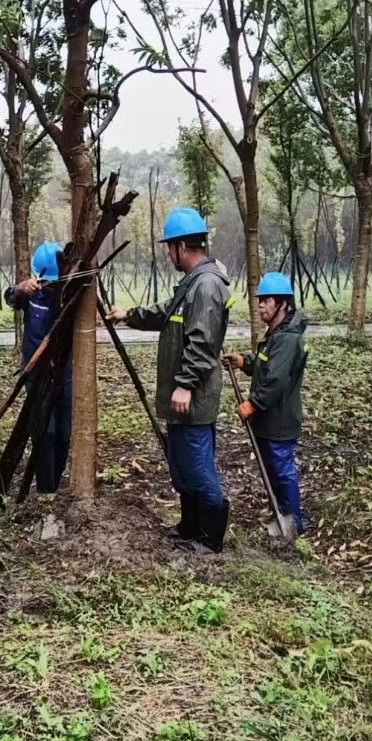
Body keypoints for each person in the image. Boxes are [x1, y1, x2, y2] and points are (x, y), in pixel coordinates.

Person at [107, 208, 232, 553]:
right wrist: (128, 315)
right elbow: (165, 313)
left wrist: (185, 384)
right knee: (181, 466)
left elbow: (203, 343)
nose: (167, 254)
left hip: (193, 397)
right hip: (181, 398)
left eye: (169, 247)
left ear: (181, 246)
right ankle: (189, 526)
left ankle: (210, 538)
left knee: (197, 465)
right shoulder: (192, 284)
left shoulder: (206, 286)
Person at [224, 272, 309, 534]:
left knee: (281, 473)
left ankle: (293, 523)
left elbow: (275, 381)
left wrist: (253, 403)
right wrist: (244, 361)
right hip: (270, 420)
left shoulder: (287, 338)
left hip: (279, 420)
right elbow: (265, 365)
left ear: (282, 304)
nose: (260, 304)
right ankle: (280, 514)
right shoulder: (276, 334)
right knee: (272, 472)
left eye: (267, 300)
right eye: (260, 299)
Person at [4, 242, 72, 493]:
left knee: (64, 433)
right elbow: (11, 296)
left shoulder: (68, 295)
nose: (49, 287)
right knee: (46, 431)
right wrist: (21, 288)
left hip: (64, 374)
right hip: (36, 375)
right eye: (46, 282)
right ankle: (45, 489)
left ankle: (56, 482)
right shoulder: (31, 296)